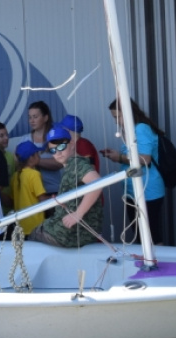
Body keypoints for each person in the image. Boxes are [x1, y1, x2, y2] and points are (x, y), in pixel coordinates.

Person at [99, 98, 167, 244]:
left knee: (150, 234)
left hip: (147, 190)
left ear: (128, 113)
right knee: (141, 234)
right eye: (114, 118)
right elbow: (134, 157)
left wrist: (119, 157)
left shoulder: (141, 129)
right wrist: (117, 155)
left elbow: (144, 159)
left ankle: (156, 258)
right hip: (134, 191)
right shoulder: (132, 130)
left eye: (118, 117)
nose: (116, 122)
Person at [28, 127, 104, 248]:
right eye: (53, 150)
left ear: (72, 144)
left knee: (29, 237)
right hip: (71, 231)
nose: (57, 153)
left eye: (61, 147)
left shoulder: (76, 164)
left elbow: (97, 183)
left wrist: (78, 214)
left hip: (70, 234)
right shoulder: (70, 166)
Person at [10, 100, 62, 194]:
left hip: (53, 191)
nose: (31, 121)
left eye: (35, 117)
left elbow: (59, 163)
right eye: (30, 117)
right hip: (30, 193)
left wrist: (35, 161)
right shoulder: (24, 140)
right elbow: (17, 164)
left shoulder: (55, 139)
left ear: (45, 118)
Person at [12, 141, 50, 235]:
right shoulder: (34, 174)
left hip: (20, 226)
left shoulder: (15, 176)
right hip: (35, 225)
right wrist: (56, 198)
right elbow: (42, 199)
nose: (39, 156)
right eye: (37, 153)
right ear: (31, 157)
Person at [0, 121, 17, 212]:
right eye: (1, 136)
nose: (6, 138)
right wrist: (1, 197)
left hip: (10, 208)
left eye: (6, 135)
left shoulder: (11, 156)